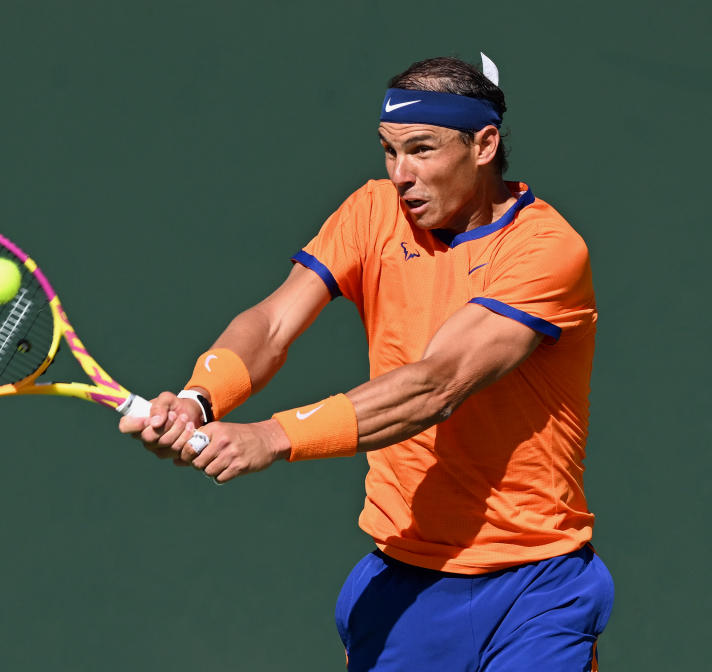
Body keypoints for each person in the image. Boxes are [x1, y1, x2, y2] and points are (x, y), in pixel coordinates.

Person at [120, 55, 613, 671]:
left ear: (484, 145)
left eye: (422, 150)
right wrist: (199, 399)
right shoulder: (373, 212)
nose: (401, 174)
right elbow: (273, 323)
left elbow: (436, 386)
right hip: (404, 582)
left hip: (536, 587)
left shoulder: (547, 251)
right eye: (389, 151)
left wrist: (271, 437)